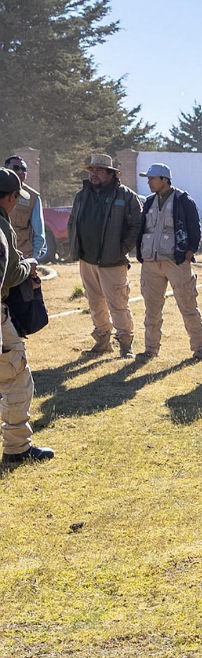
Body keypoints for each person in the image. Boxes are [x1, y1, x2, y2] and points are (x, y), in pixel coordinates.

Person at [0, 167, 53, 464]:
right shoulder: (2, 227)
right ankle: (17, 447)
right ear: (9, 198)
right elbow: (8, 276)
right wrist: (27, 266)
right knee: (17, 378)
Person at [67, 153, 142, 358]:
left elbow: (137, 225)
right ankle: (102, 342)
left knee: (118, 303)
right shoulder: (81, 195)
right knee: (95, 303)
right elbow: (72, 221)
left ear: (111, 174)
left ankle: (125, 344)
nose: (94, 174)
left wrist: (121, 249)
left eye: (99, 171)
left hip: (113, 261)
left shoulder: (125, 195)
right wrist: (76, 246)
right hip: (87, 259)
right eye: (92, 170)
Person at [134, 164, 202, 361]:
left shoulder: (183, 200)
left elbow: (194, 229)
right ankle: (150, 349)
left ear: (164, 180)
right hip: (151, 262)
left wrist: (189, 252)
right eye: (148, 179)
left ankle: (199, 349)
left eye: (152, 179)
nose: (149, 183)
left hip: (176, 261)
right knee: (151, 310)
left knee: (188, 306)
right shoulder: (149, 202)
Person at [3, 156, 46, 261]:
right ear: (6, 169)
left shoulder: (33, 197)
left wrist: (33, 257)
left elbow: (39, 232)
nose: (21, 171)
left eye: (24, 169)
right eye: (16, 168)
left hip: (22, 257)